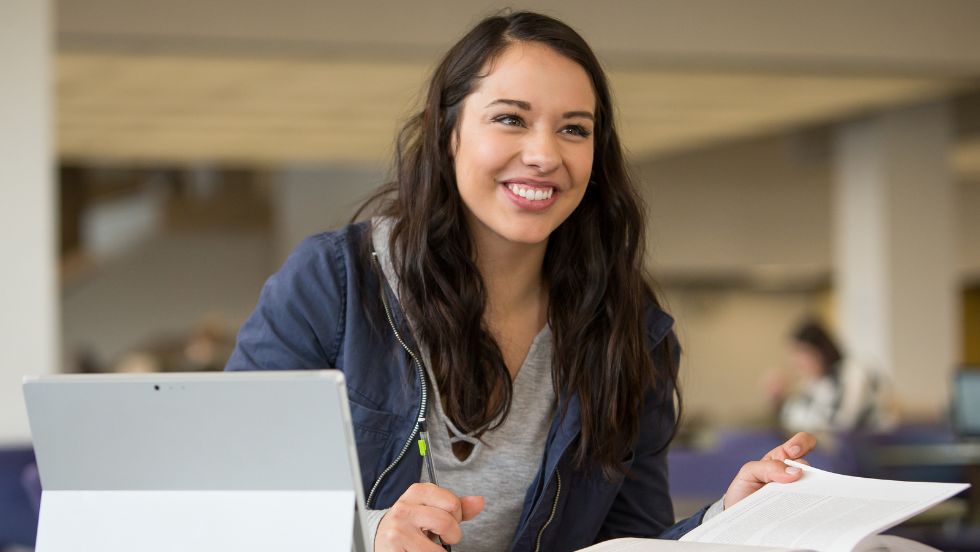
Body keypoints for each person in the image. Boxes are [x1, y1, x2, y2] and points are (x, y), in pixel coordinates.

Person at [226, 11, 815, 552]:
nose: (543, 154)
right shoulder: (337, 283)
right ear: (448, 133)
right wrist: (372, 530)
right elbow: (224, 493)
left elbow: (630, 542)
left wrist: (726, 521)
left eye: (574, 129)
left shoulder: (627, 326)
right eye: (510, 119)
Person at [767, 319, 896, 436]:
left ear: (820, 351)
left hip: (871, 448)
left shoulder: (853, 372)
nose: (797, 364)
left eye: (801, 355)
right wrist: (779, 401)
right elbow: (792, 421)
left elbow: (842, 423)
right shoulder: (815, 383)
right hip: (840, 449)